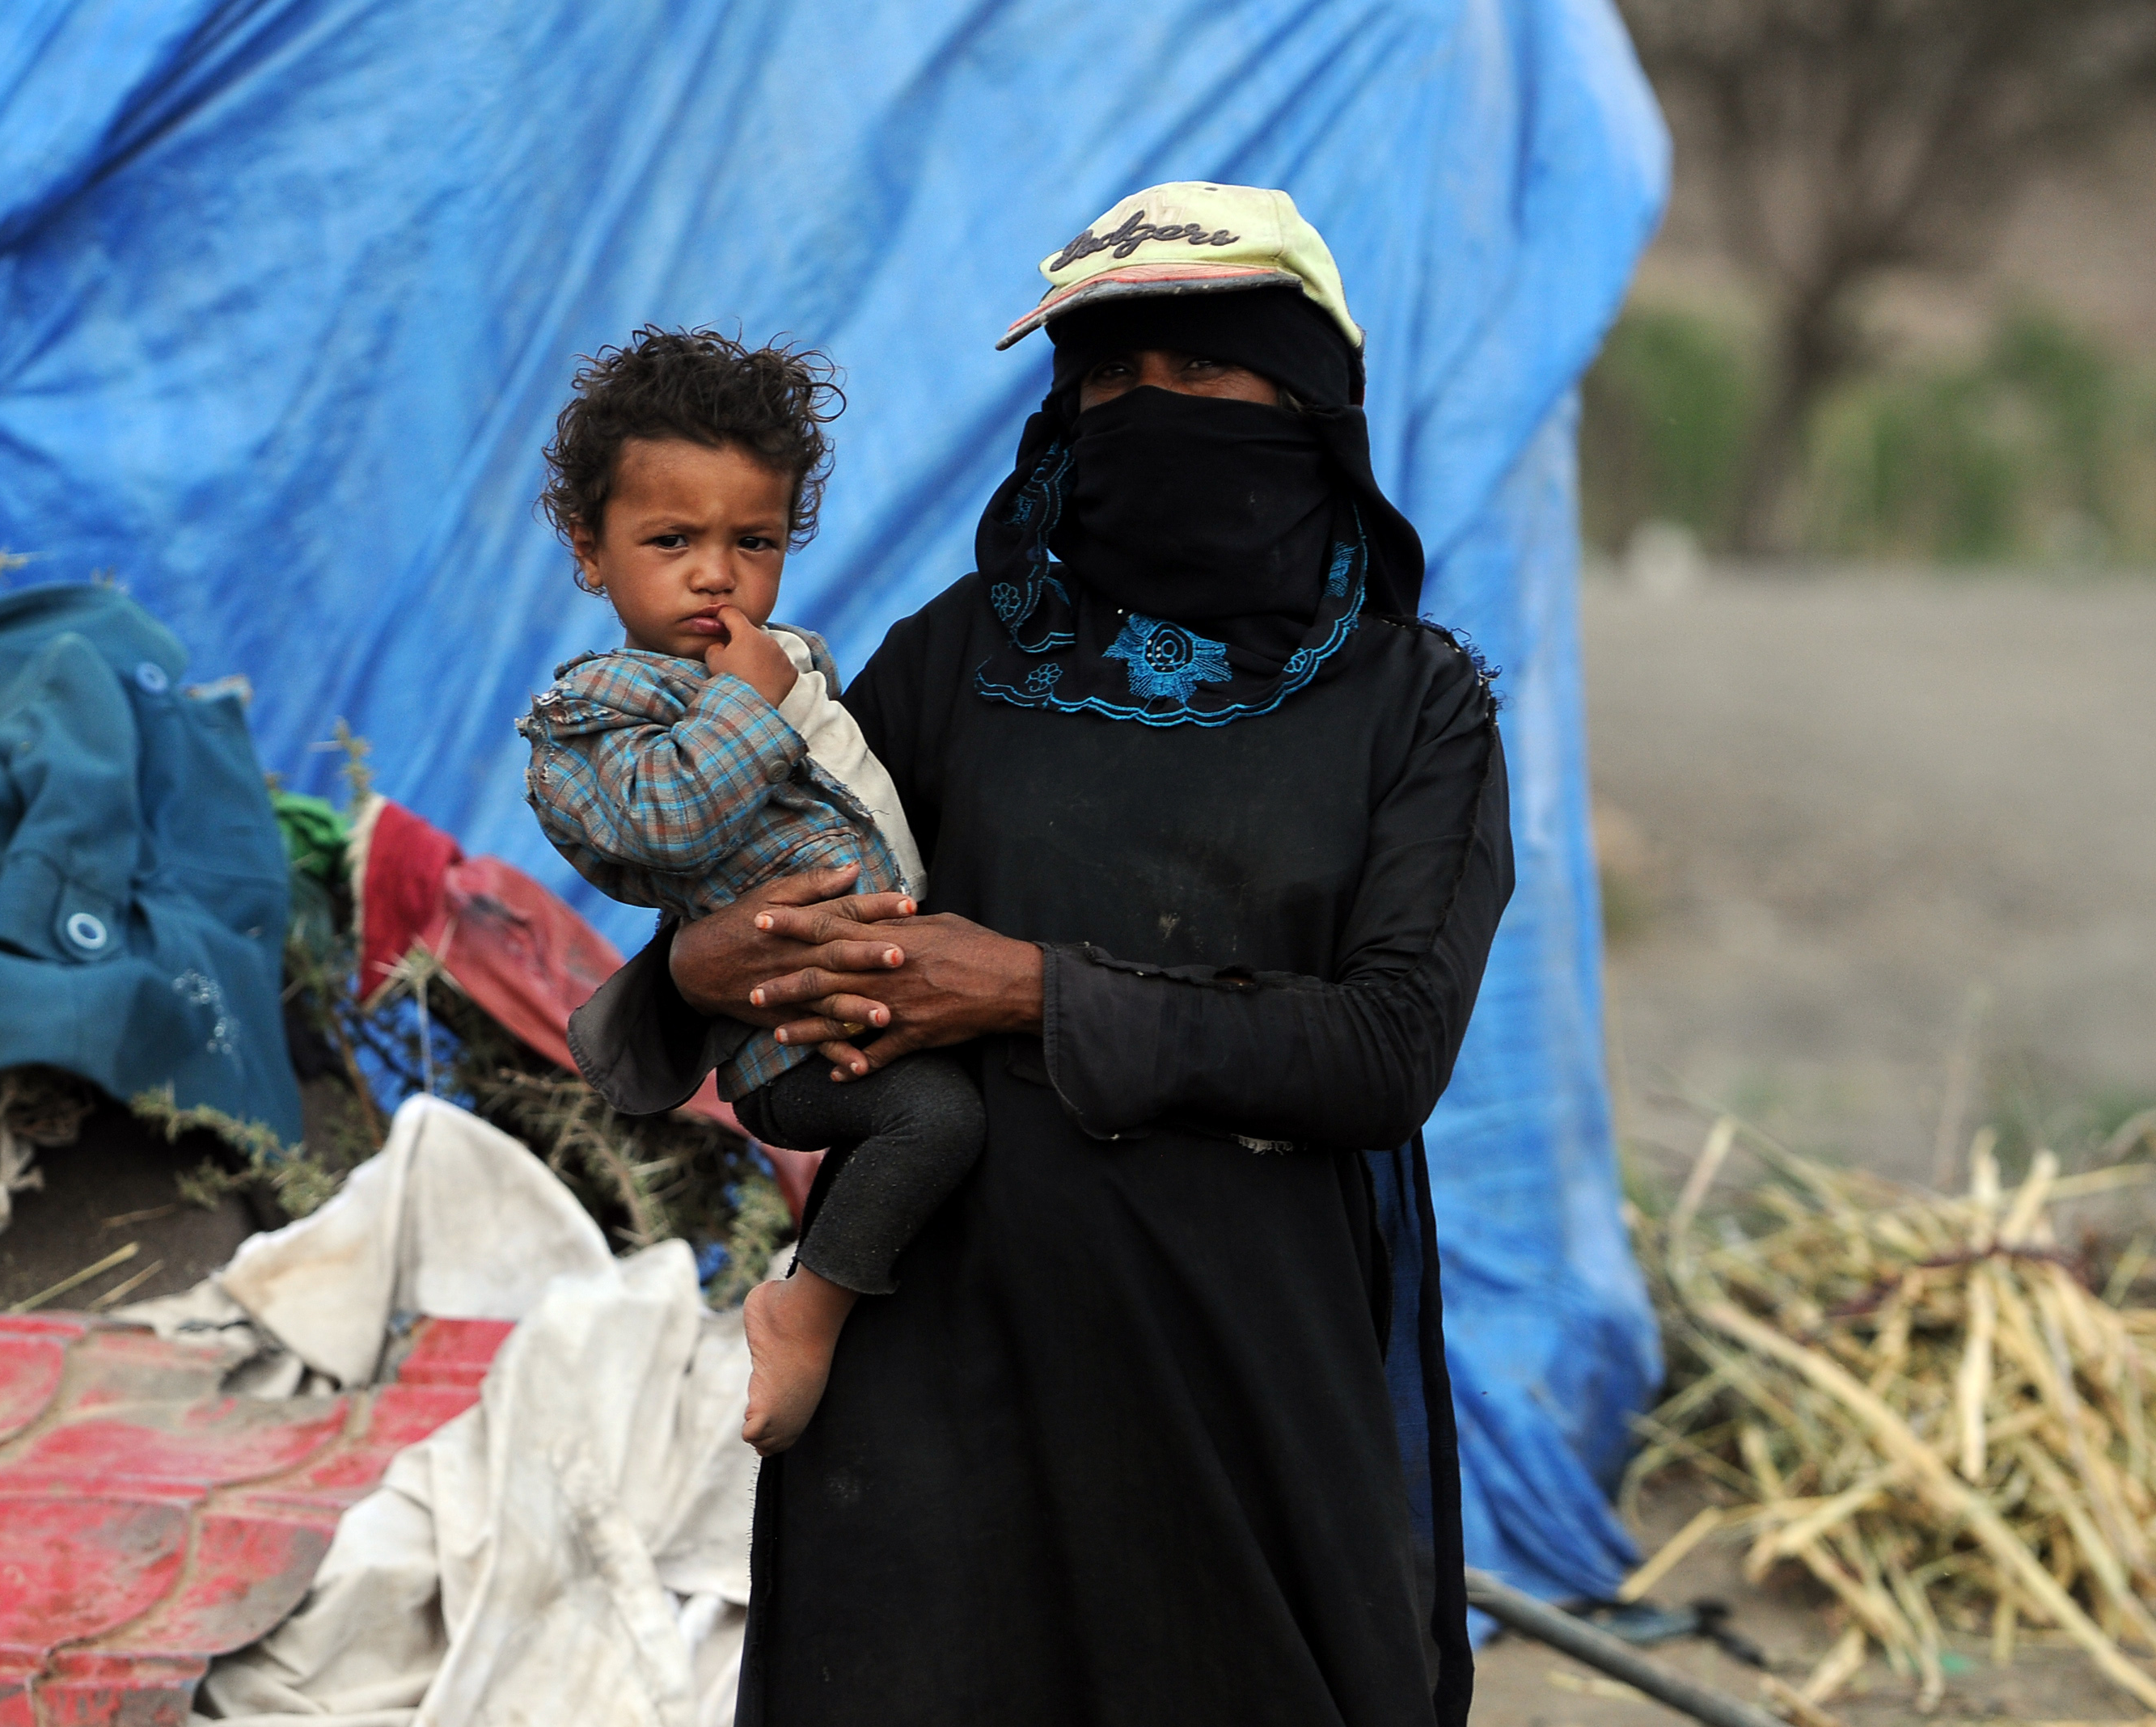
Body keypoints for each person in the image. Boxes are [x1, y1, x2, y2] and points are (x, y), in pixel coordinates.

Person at [569, 183, 1507, 1727]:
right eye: (1108, 379)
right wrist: (701, 970)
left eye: (1199, 374)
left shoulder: (1415, 708)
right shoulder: (961, 655)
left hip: (1238, 1389)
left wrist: (1023, 989)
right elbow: (792, 890)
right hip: (940, 1378)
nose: (1146, 411)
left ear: (1308, 401)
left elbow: (1389, 1048)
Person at [518, 327, 985, 1455]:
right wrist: (754, 706)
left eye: (755, 540)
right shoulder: (587, 720)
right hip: (792, 1049)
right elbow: (665, 823)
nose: (716, 574)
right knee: (938, 1121)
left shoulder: (789, 666)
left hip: (885, 990)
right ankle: (804, 1313)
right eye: (670, 539)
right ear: (589, 550)